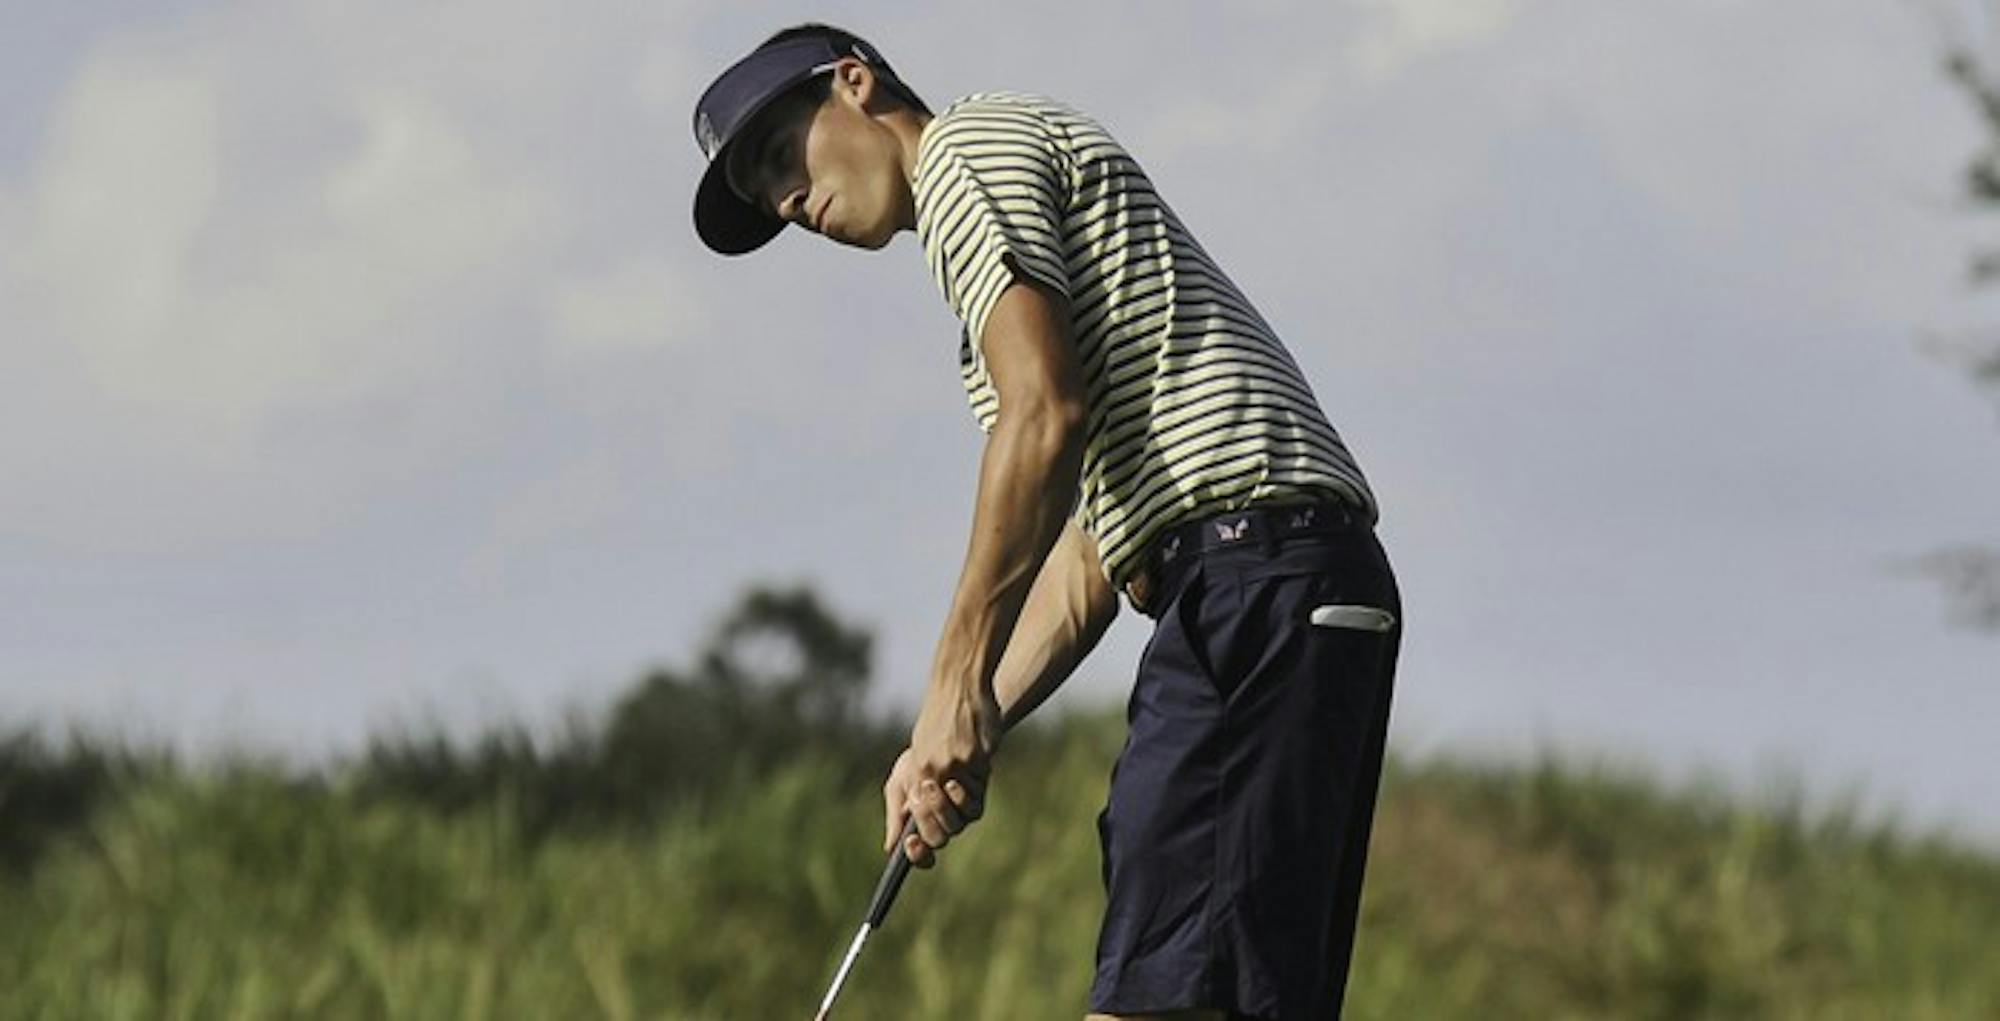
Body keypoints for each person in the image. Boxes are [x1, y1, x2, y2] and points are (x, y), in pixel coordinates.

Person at [691, 23, 1402, 1021]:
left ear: (853, 84)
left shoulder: (965, 155)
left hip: (1251, 580)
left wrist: (949, 680)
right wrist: (961, 725)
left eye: (779, 157)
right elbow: (1084, 556)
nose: (786, 202)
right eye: (766, 200)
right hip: (1272, 585)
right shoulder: (998, 307)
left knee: (1158, 996)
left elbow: (1044, 418)